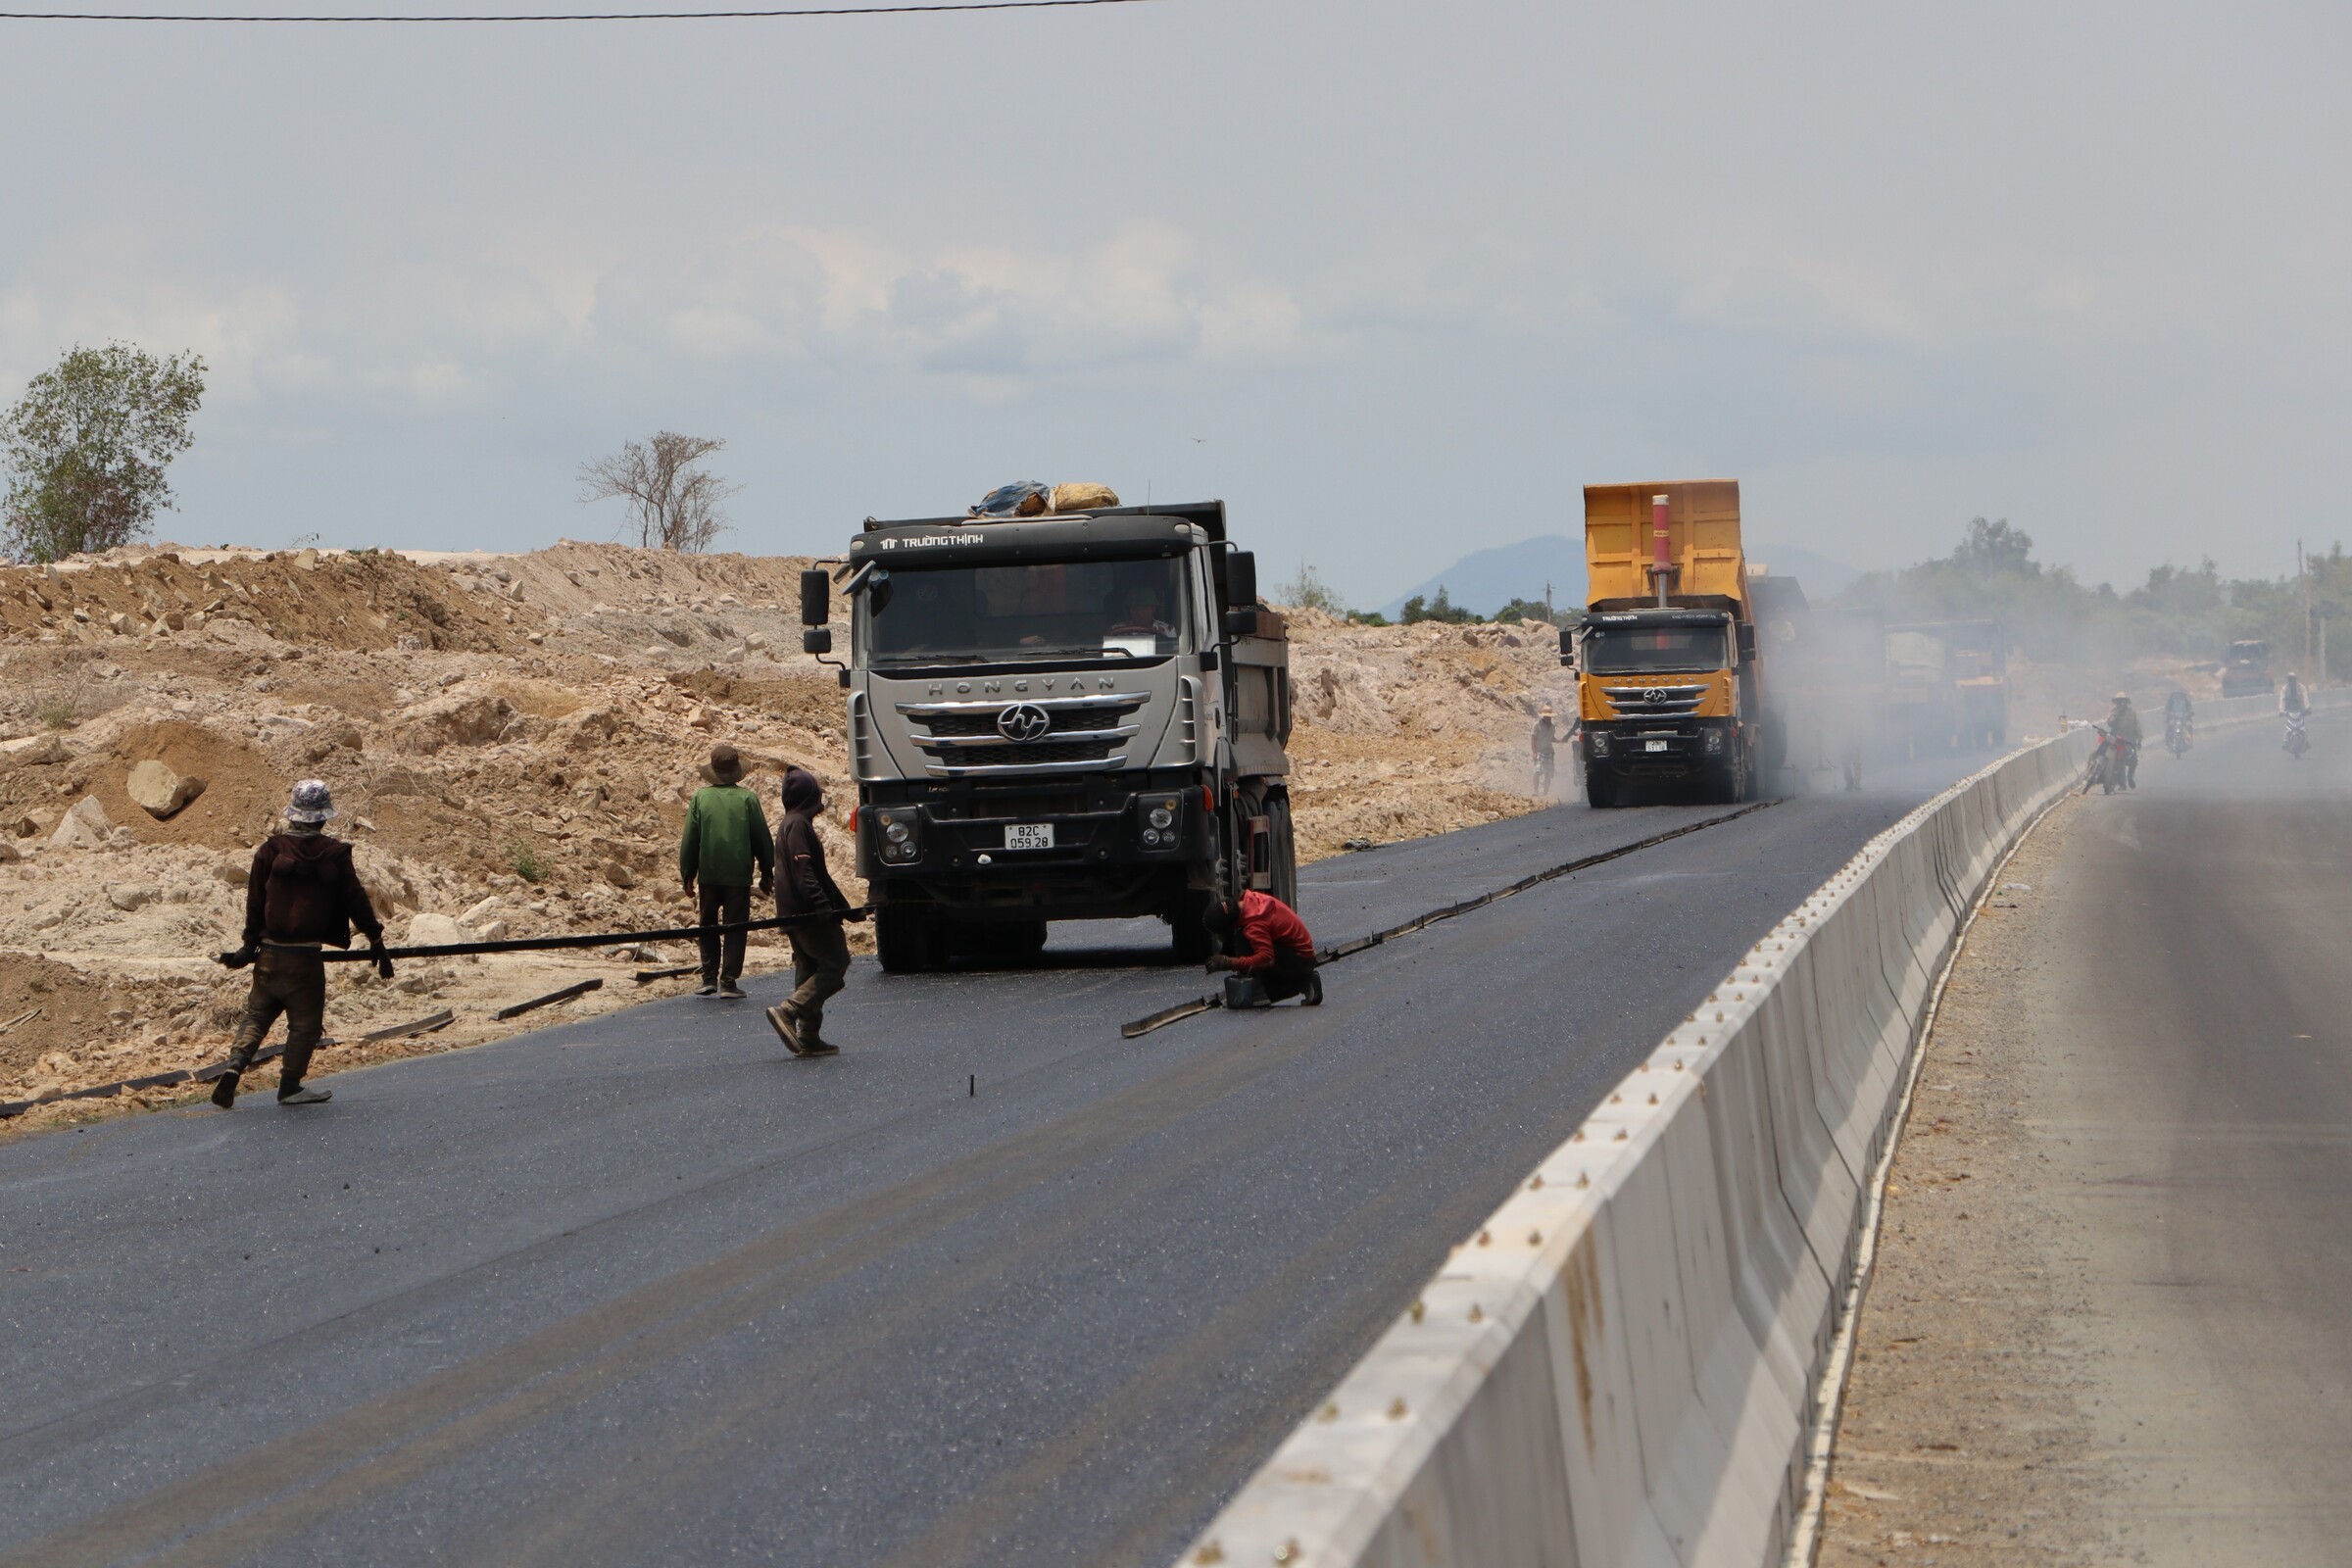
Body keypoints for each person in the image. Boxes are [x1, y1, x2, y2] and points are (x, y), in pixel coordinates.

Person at [211, 780, 388, 1108]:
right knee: (305, 1025)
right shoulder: (335, 854)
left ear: (293, 814)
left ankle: (235, 1065)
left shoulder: (270, 850)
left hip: (269, 955)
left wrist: (249, 946)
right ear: (323, 817)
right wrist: (374, 937)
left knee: (256, 1016)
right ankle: (290, 1085)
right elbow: (356, 900)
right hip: (305, 959)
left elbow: (254, 902)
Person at [765, 766, 859, 1056]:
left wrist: (843, 909)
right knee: (835, 964)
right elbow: (805, 872)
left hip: (794, 912)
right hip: (807, 913)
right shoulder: (798, 826)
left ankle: (809, 1037)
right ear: (809, 796)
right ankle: (790, 1011)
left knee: (808, 970)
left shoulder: (791, 823)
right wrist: (822, 906)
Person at [679, 744, 773, 1000]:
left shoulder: (700, 798)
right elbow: (761, 839)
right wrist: (767, 872)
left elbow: (690, 838)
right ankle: (729, 982)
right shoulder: (748, 799)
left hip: (708, 875)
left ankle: (709, 978)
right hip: (738, 876)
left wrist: (688, 873)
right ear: (736, 771)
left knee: (707, 924)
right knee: (736, 926)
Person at [1202, 890, 1322, 1005]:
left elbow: (1266, 958)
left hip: (1300, 960)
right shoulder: (1249, 900)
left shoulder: (1254, 923)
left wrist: (1229, 963)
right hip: (1299, 953)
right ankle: (1259, 985)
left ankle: (1302, 983)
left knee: (1243, 940)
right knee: (1242, 939)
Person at [2107, 692, 2142, 788]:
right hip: (2117, 740)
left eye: (2123, 701)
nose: (2121, 703)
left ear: (2126, 702)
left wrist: (2139, 739)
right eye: (2119, 701)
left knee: (2133, 761)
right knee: (2119, 762)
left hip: (2130, 741)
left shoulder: (2132, 713)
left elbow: (2137, 727)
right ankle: (2122, 783)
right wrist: (2115, 716)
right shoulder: (2113, 712)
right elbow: (2109, 723)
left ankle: (2130, 777)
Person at [1531, 706, 1559, 795]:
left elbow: (1551, 738)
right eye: (1546, 716)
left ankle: (1545, 793)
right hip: (1539, 751)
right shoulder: (1537, 725)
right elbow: (1533, 738)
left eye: (1549, 716)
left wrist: (1559, 740)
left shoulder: (1553, 726)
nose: (1548, 718)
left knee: (1548, 774)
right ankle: (1536, 791)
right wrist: (1534, 752)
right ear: (1543, 716)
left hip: (1549, 751)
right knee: (1537, 771)